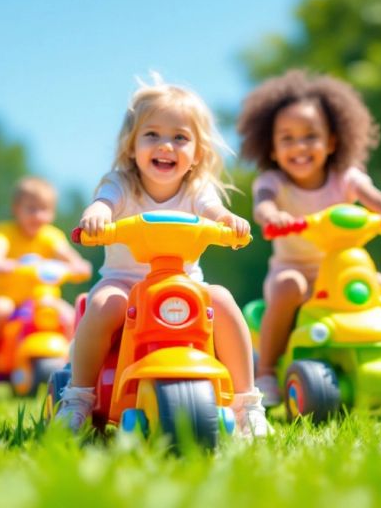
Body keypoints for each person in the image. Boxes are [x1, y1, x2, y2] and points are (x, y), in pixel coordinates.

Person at [55, 75, 271, 438]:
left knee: (223, 301)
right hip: (124, 283)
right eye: (152, 135)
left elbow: (214, 210)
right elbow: (104, 202)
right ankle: (78, 396)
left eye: (180, 137)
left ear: (198, 153)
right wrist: (99, 215)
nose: (166, 145)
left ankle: (246, 402)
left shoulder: (197, 189)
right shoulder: (121, 184)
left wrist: (229, 222)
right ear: (131, 147)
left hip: (183, 285)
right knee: (107, 304)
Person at [236, 69, 381, 407]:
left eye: (310, 136)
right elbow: (262, 204)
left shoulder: (344, 176)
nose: (299, 146)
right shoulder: (273, 181)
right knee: (287, 286)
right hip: (293, 269)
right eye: (287, 138)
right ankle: (265, 371)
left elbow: (372, 195)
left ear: (332, 141)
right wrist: (273, 216)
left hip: (340, 270)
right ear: (273, 148)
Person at [0, 176, 91, 381]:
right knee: (0, 308)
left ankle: (71, 360)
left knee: (69, 316)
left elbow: (67, 255)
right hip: (6, 297)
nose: (38, 215)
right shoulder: (5, 232)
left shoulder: (51, 236)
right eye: (31, 209)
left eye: (44, 209)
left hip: (41, 299)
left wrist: (78, 265)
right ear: (16, 209)